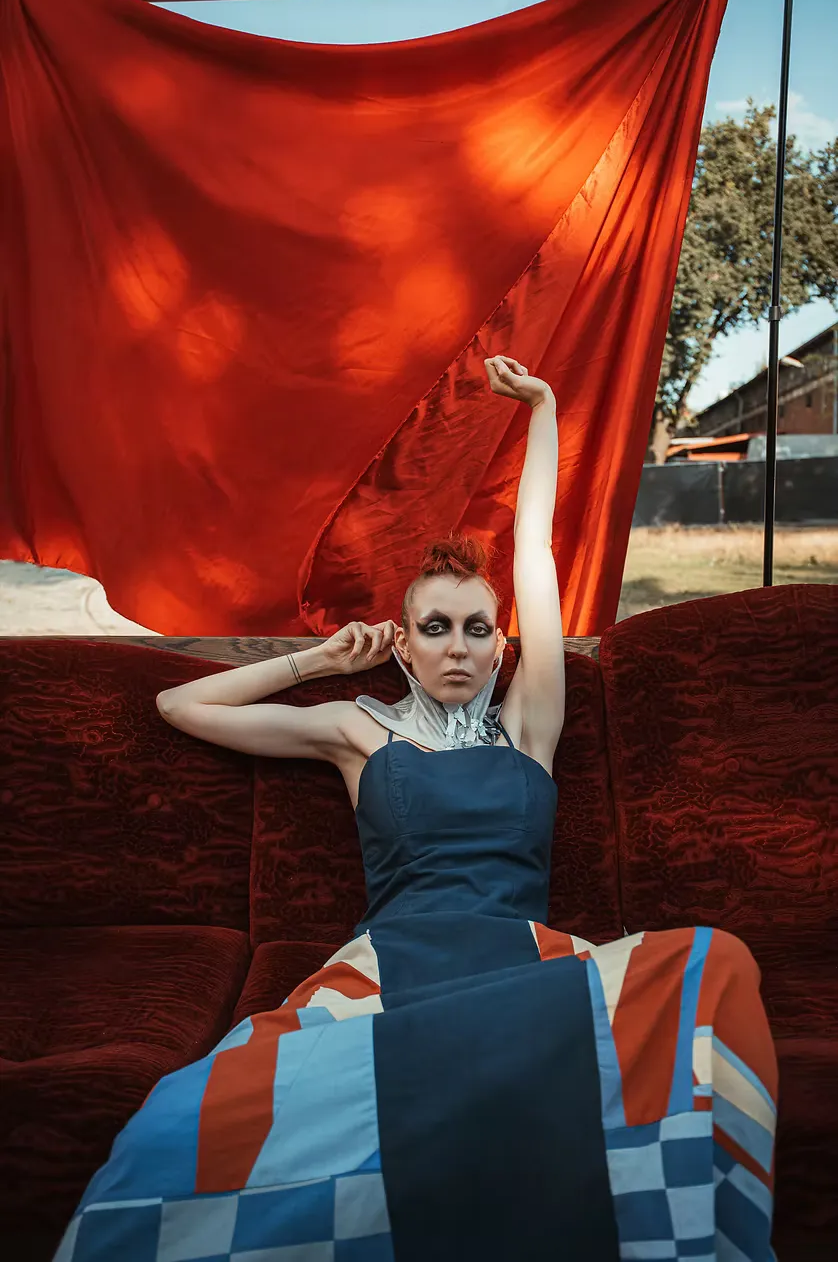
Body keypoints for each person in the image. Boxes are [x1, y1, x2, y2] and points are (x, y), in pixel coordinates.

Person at [53, 358, 778, 1262]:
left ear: (499, 640)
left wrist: (545, 411)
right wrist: (314, 664)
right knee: (182, 1127)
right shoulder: (356, 731)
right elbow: (180, 708)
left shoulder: (529, 726)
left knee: (712, 970)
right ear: (404, 643)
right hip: (387, 966)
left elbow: (536, 555)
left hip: (528, 961)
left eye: (478, 628)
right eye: (435, 627)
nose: (460, 646)